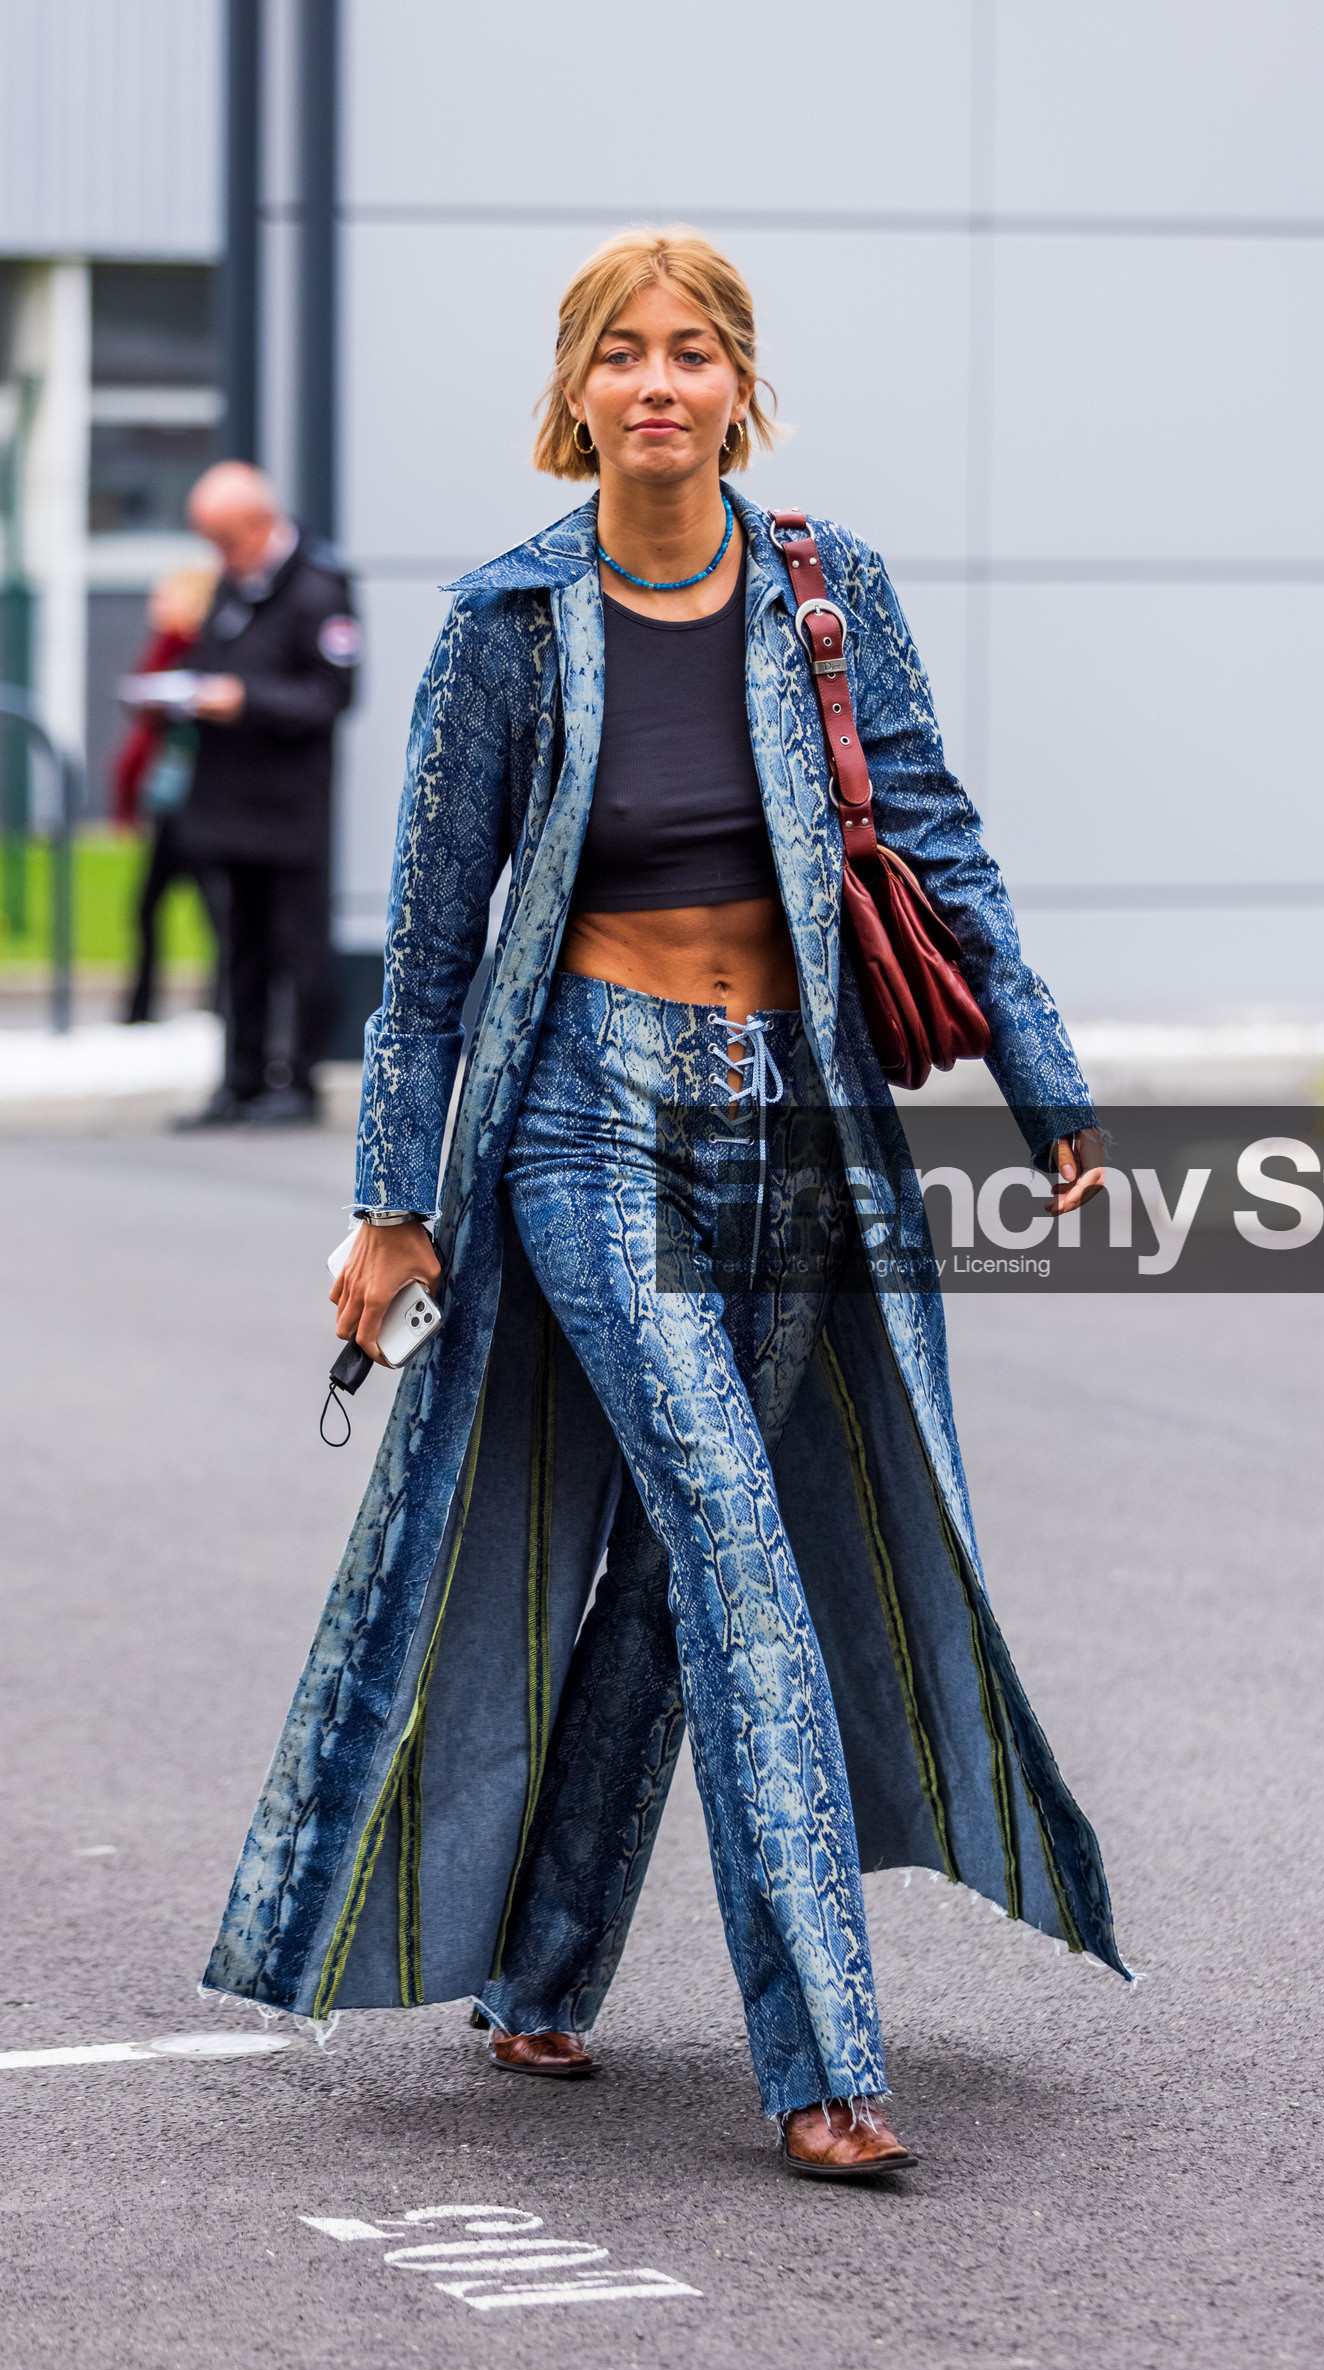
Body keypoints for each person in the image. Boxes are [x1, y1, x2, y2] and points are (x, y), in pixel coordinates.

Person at [204, 228, 1126, 2178]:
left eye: (689, 351)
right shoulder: (504, 626)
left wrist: (1043, 1072)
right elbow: (434, 956)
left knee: (662, 1564)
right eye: (618, 353)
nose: (655, 383)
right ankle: (825, 2058)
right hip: (581, 1118)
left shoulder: (825, 591)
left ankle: (543, 1968)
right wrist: (392, 1202)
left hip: (789, 1120)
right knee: (731, 1525)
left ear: (735, 386)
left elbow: (937, 830)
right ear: (573, 392)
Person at [173, 462, 360, 1128]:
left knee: (296, 946)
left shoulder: (318, 587)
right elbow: (206, 663)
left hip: (289, 807)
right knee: (238, 948)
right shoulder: (230, 584)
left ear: (257, 524)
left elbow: (331, 695)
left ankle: (297, 1081)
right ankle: (241, 1079)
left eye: (224, 539)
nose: (219, 555)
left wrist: (247, 700)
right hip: (226, 801)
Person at [111, 565, 222, 1024]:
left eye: (165, 598)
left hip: (200, 802)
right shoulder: (167, 647)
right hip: (168, 802)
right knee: (149, 905)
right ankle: (142, 1004)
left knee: (213, 907)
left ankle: (220, 1000)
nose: (156, 608)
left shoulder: (202, 648)